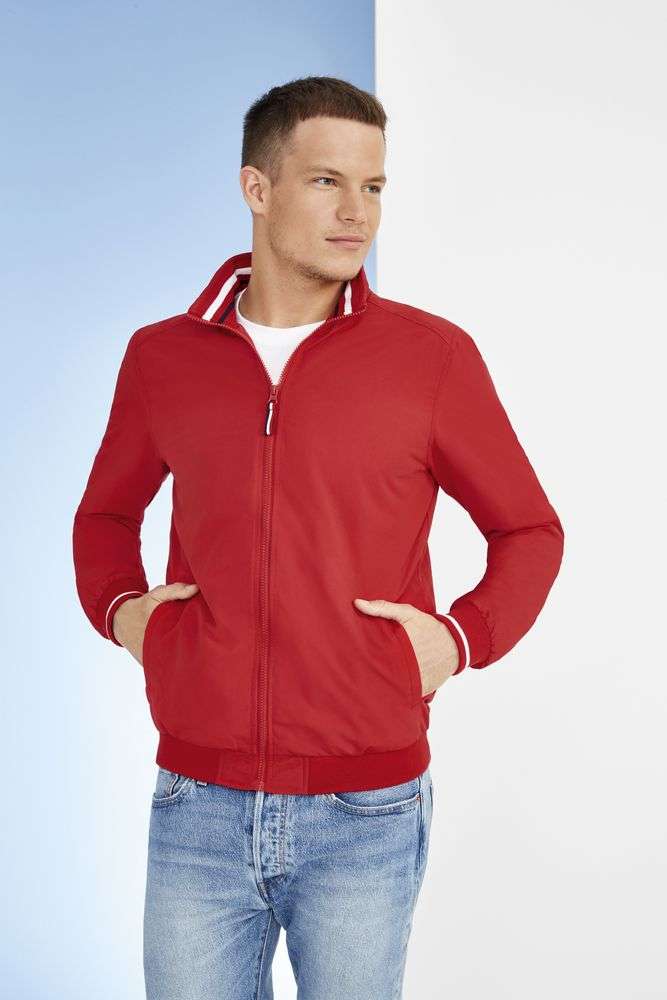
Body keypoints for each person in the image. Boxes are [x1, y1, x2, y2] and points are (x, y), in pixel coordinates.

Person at [72, 76, 564, 999]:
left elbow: (529, 529)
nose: (356, 213)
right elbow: (103, 515)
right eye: (326, 181)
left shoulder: (429, 358)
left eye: (372, 187)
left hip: (365, 809)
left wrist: (459, 638)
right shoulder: (163, 358)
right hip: (197, 803)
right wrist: (125, 614)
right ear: (256, 188)